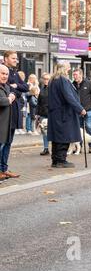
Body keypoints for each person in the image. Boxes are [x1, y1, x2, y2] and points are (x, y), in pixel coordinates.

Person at [47, 62, 86, 168]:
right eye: (68, 67)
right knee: (64, 137)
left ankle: (55, 160)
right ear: (64, 69)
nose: (69, 69)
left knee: (57, 137)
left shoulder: (53, 80)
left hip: (55, 113)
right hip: (64, 113)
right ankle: (60, 160)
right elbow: (69, 97)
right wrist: (80, 109)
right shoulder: (62, 80)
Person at [1, 51, 28, 179]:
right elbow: (8, 91)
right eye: (13, 58)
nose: (16, 60)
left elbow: (26, 87)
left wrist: (16, 86)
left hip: (14, 112)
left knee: (8, 142)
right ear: (5, 59)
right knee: (3, 142)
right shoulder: (3, 72)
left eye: (16, 58)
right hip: (5, 114)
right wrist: (15, 91)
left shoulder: (15, 73)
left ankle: (4, 169)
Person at [73, 68, 91, 154]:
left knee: (88, 127)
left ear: (81, 75)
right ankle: (79, 146)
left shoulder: (88, 83)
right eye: (73, 75)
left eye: (76, 75)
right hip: (77, 111)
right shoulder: (72, 85)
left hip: (88, 110)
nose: (74, 77)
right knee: (78, 129)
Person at [0, 64, 16, 182]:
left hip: (6, 123)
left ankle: (2, 170)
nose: (5, 76)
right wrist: (9, 98)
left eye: (6, 74)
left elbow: (17, 92)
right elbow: (2, 101)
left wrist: (12, 95)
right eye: (2, 73)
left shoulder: (6, 86)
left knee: (4, 147)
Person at [36, 73, 50, 155]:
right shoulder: (42, 89)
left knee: (52, 132)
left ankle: (56, 149)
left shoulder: (53, 89)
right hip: (42, 114)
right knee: (44, 132)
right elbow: (39, 102)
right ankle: (46, 148)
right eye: (44, 79)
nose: (46, 80)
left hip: (51, 114)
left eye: (47, 79)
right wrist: (37, 113)